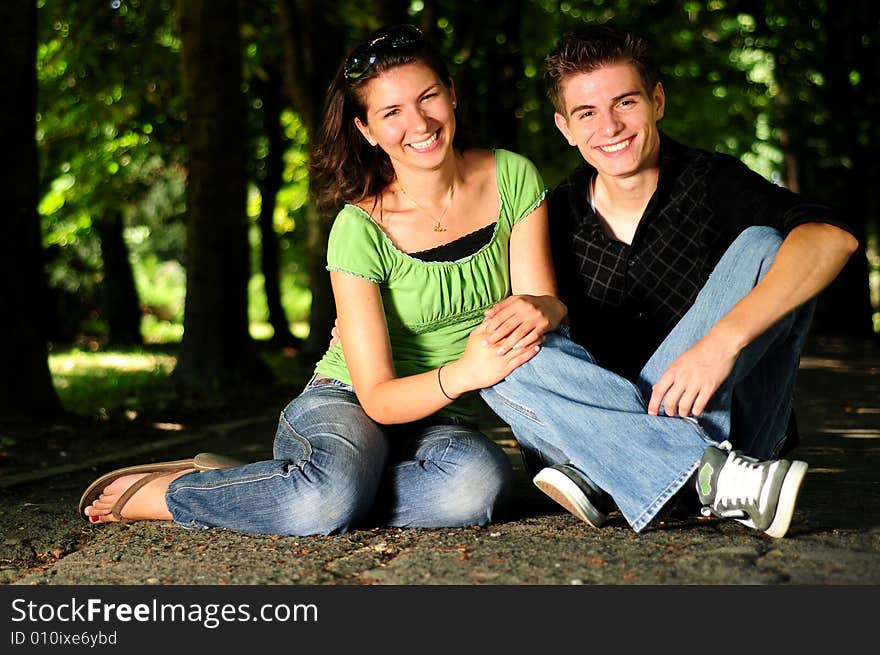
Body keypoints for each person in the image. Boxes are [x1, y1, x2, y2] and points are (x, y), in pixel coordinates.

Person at [79, 24, 567, 535]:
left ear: (452, 92)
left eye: (428, 97)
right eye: (391, 112)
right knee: (324, 501)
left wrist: (549, 309)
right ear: (366, 130)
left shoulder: (512, 175)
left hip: (439, 417)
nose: (419, 122)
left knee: (476, 489)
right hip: (349, 398)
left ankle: (276, 485)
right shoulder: (359, 229)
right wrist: (468, 373)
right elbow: (376, 395)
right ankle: (178, 493)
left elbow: (541, 301)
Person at [476, 25, 859, 538]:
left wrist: (724, 341)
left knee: (766, 246)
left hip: (734, 429)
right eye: (586, 113)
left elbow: (834, 238)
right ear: (565, 127)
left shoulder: (712, 181)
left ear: (656, 100)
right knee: (501, 345)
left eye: (625, 102)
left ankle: (610, 472)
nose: (609, 126)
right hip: (699, 459)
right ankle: (698, 477)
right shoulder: (553, 213)